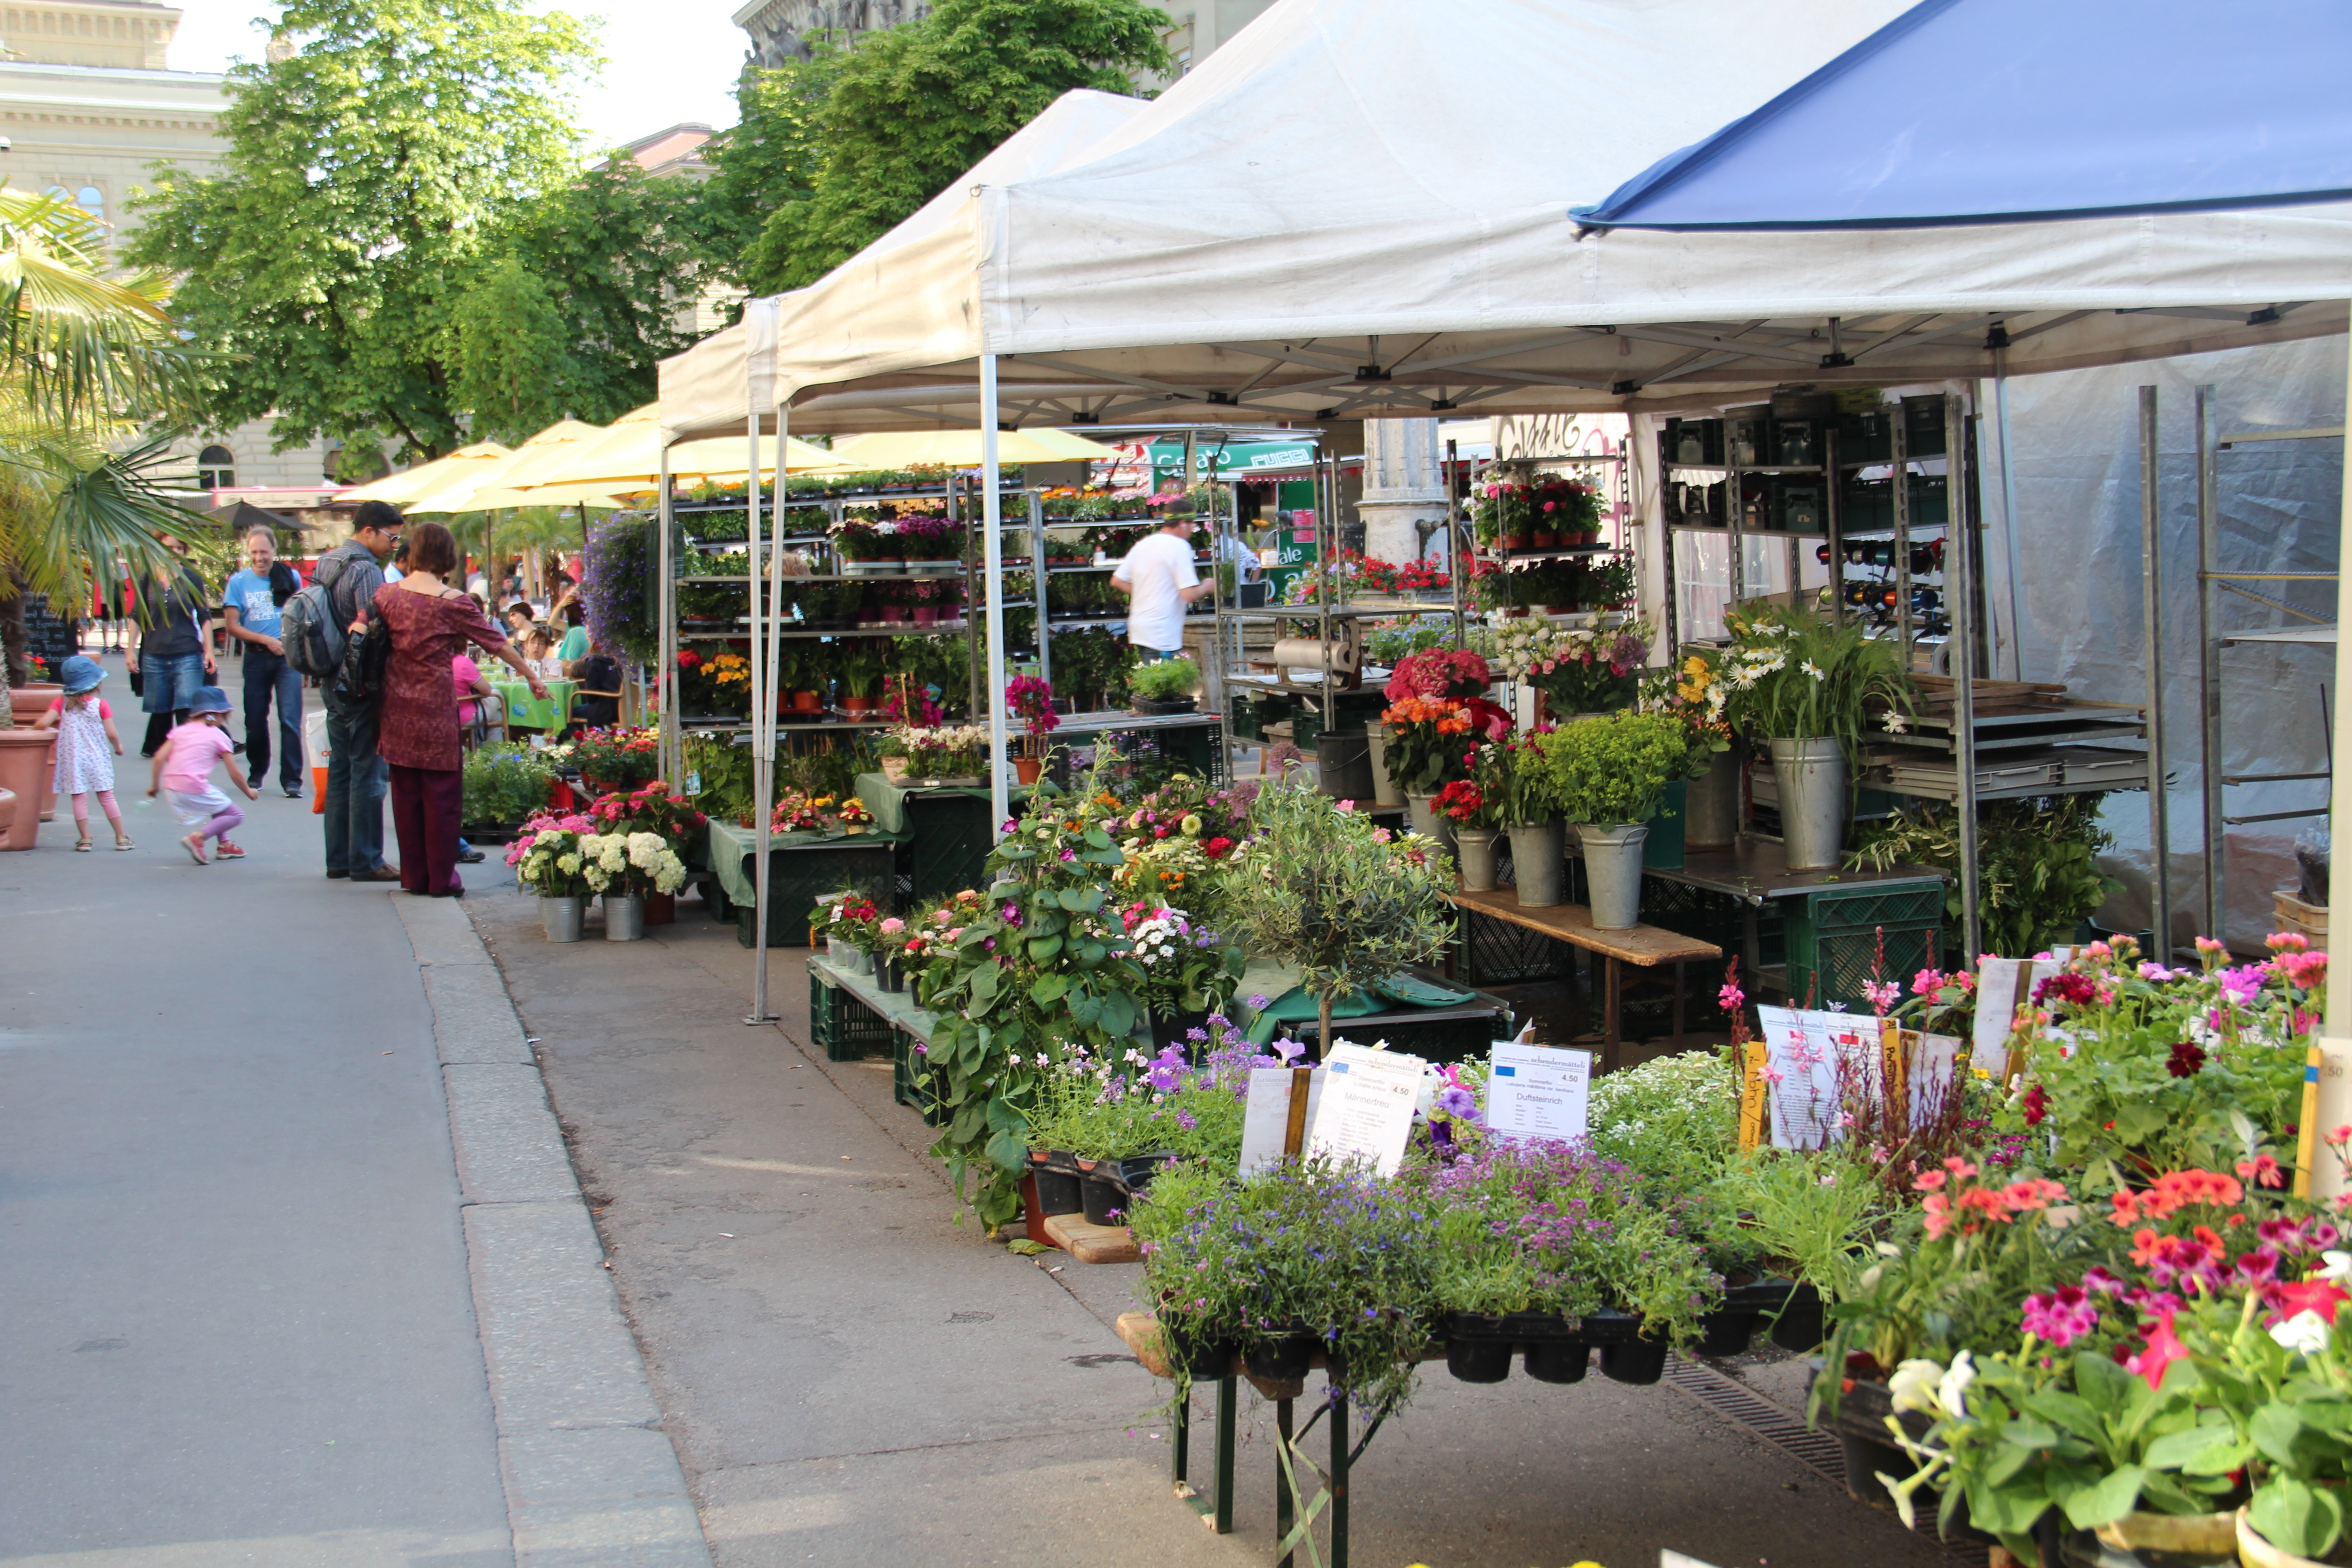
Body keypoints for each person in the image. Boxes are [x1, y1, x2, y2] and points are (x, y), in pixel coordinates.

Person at [371, 520, 545, 897]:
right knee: (441, 799)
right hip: (434, 709)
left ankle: (414, 877)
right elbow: (497, 643)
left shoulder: (385, 595)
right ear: (448, 556)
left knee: (406, 798)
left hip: (396, 708)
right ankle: (441, 879)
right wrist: (531, 675)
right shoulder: (453, 602)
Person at [318, 500, 403, 882]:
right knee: (368, 771)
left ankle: (338, 858)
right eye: (392, 537)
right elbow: (375, 627)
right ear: (369, 531)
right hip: (359, 682)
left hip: (330, 676)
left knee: (340, 769)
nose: (395, 546)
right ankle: (366, 859)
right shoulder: (366, 570)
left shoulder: (328, 562)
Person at [220, 525, 306, 797]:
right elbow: (232, 626)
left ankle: (293, 780)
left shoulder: (290, 576)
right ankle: (257, 772)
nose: (260, 558)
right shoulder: (238, 582)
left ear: (274, 552)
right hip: (257, 658)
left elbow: (300, 613)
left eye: (265, 552)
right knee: (255, 719)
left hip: (287, 659)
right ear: (249, 553)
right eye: (254, 552)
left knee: (290, 718)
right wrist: (266, 641)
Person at [125, 532, 215, 755]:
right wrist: (130, 651)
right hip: (155, 653)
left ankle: (189, 752)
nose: (175, 553)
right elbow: (137, 615)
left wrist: (210, 650)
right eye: (169, 548)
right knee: (160, 708)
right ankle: (162, 752)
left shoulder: (192, 579)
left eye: (180, 549)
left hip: (187, 652)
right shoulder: (148, 578)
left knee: (187, 706)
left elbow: (204, 616)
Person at [149, 685, 257, 865]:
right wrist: (248, 791)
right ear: (218, 714)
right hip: (192, 787)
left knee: (219, 796)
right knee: (236, 815)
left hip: (171, 786)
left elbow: (159, 758)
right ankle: (198, 838)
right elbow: (235, 773)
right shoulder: (219, 736)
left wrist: (154, 786)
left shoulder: (181, 731)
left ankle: (225, 844)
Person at [34, 653, 130, 850]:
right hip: (98, 759)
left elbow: (43, 724)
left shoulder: (61, 704)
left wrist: (38, 728)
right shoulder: (101, 705)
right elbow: (112, 733)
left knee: (79, 797)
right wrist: (118, 748)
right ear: (95, 683)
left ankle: (85, 839)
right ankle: (121, 837)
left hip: (73, 760)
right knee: (106, 797)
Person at [1109, 510, 1211, 661]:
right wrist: (1207, 586)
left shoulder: (1145, 544)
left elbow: (1117, 581)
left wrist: (1147, 594)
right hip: (1163, 632)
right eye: (1192, 525)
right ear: (1183, 523)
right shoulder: (1180, 546)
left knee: (1153, 681)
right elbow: (1189, 595)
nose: (1192, 530)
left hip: (1141, 629)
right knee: (1165, 683)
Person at [554, 601, 591, 677]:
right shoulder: (580, 630)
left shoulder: (577, 631)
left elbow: (570, 661)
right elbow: (552, 623)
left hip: (575, 676)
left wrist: (552, 668)